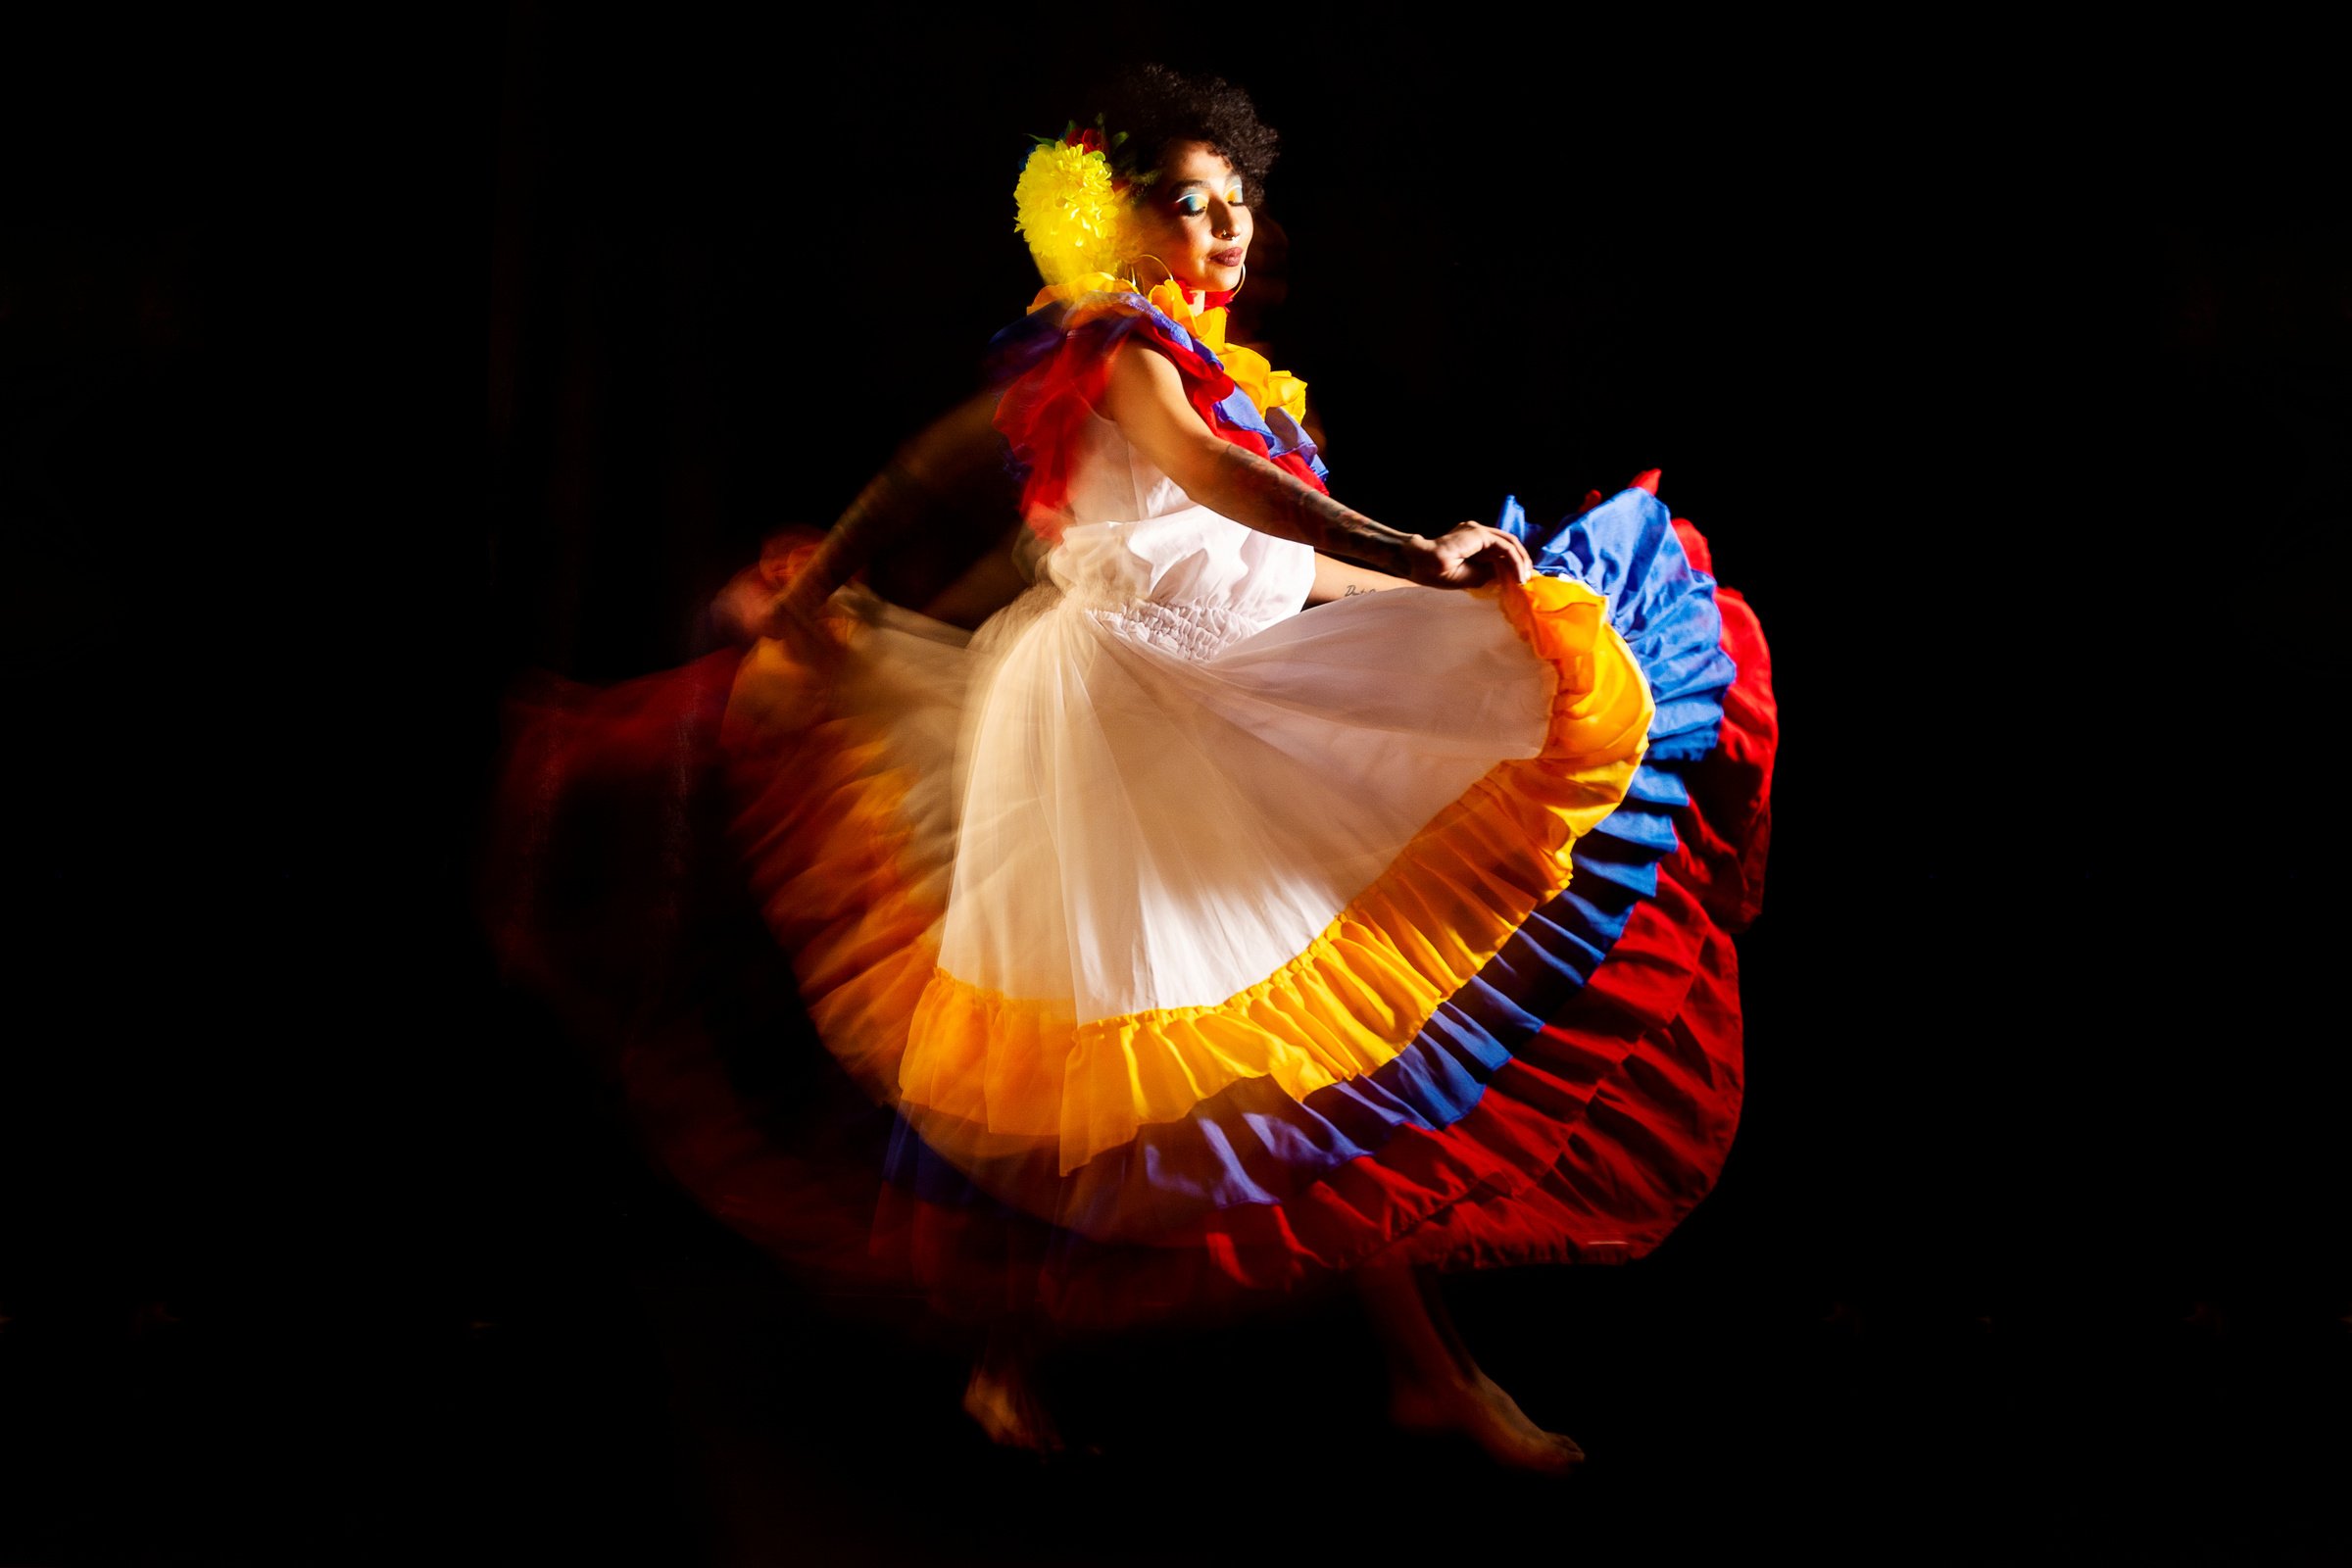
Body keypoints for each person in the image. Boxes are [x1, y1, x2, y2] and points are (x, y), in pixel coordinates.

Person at [496, 64, 1775, 1477]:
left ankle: (1397, 1373)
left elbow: (1265, 561)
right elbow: (1155, 486)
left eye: (1237, 203)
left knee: (1278, 1075)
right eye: (1190, 202)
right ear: (1119, 217)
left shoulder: (1211, 371)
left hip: (1213, 706)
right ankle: (1140, 1360)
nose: (1225, 228)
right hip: (1110, 740)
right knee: (1182, 1077)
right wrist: (1415, 556)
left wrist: (1445, 611)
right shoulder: (1115, 350)